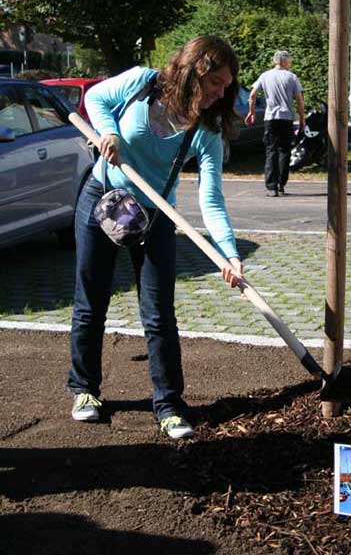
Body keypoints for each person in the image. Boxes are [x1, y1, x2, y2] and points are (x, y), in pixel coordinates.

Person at [68, 35, 243, 440]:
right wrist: (109, 133)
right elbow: (95, 98)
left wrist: (228, 255)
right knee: (90, 302)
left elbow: (211, 197)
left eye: (225, 86)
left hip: (155, 214)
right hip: (104, 200)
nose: (221, 93)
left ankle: (168, 404)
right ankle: (84, 390)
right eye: (216, 82)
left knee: (159, 313)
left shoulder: (207, 130)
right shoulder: (142, 83)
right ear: (196, 71)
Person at [245, 50, 305, 196]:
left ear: (275, 61)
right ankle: (281, 184)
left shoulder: (265, 76)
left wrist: (251, 112)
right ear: (284, 61)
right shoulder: (292, 77)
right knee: (284, 151)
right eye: (289, 60)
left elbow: (252, 95)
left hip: (270, 118)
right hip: (286, 117)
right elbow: (299, 99)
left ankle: (271, 187)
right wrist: (302, 118)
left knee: (271, 150)